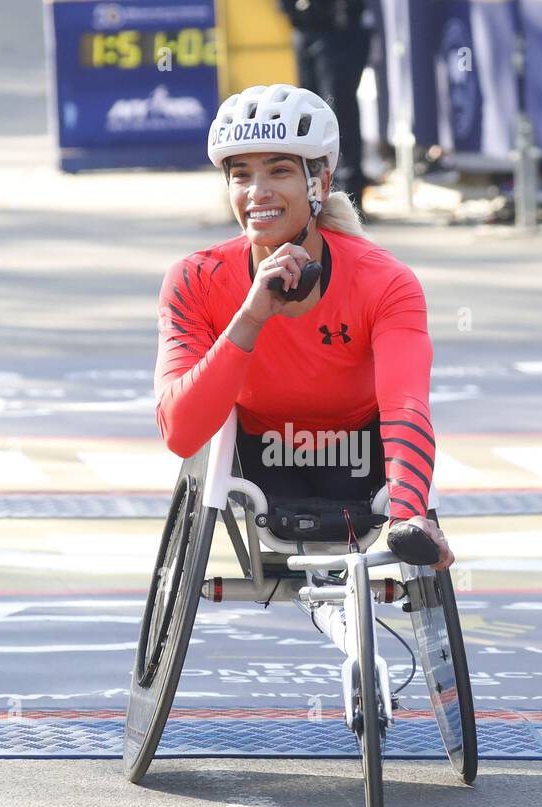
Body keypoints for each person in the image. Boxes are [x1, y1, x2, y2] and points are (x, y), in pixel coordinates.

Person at [153, 84, 453, 568]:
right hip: (258, 458)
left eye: (279, 170)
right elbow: (182, 434)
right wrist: (250, 317)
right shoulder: (194, 279)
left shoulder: (386, 281)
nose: (258, 192)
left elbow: (406, 405)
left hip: (358, 459)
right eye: (241, 175)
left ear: (320, 183)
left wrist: (409, 515)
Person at [280, 0, 372, 209]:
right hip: (303, 26)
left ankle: (349, 195)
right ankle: (316, 193)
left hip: (338, 29)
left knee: (339, 113)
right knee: (308, 114)